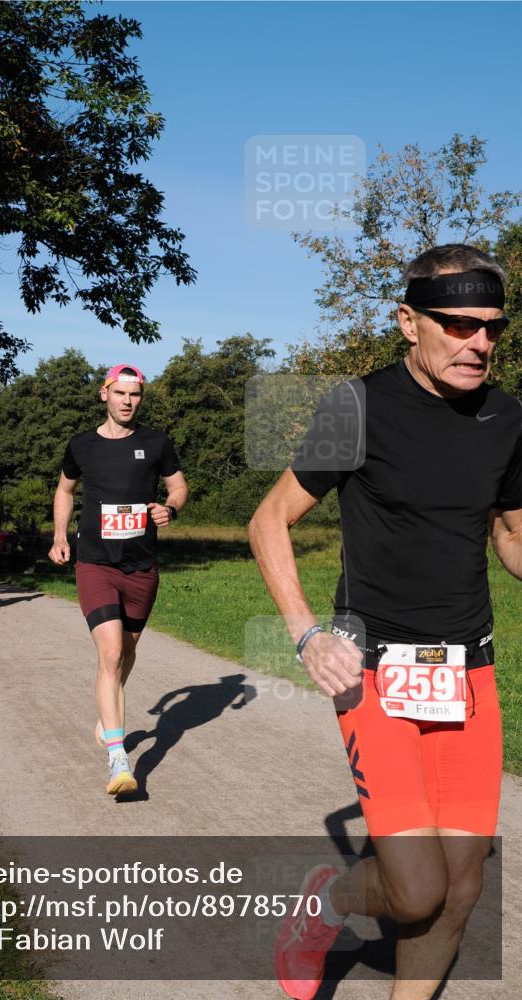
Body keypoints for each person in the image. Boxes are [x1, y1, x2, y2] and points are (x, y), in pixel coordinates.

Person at [249, 244, 521, 1000]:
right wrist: (307, 633)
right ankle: (326, 901)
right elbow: (269, 521)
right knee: (414, 892)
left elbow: (511, 537)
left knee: (461, 890)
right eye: (459, 325)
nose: (479, 344)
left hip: (470, 674)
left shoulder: (509, 418)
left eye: (493, 328)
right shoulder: (357, 406)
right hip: (374, 670)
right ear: (409, 322)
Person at [49, 364, 188, 795]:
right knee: (110, 654)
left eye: (136, 395)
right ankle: (118, 761)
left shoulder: (156, 443)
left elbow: (179, 486)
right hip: (95, 563)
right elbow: (65, 491)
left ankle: (106, 713)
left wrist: (171, 508)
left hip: (142, 566)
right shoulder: (82, 446)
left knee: (126, 653)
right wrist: (59, 535)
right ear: (104, 394)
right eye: (121, 393)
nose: (128, 402)